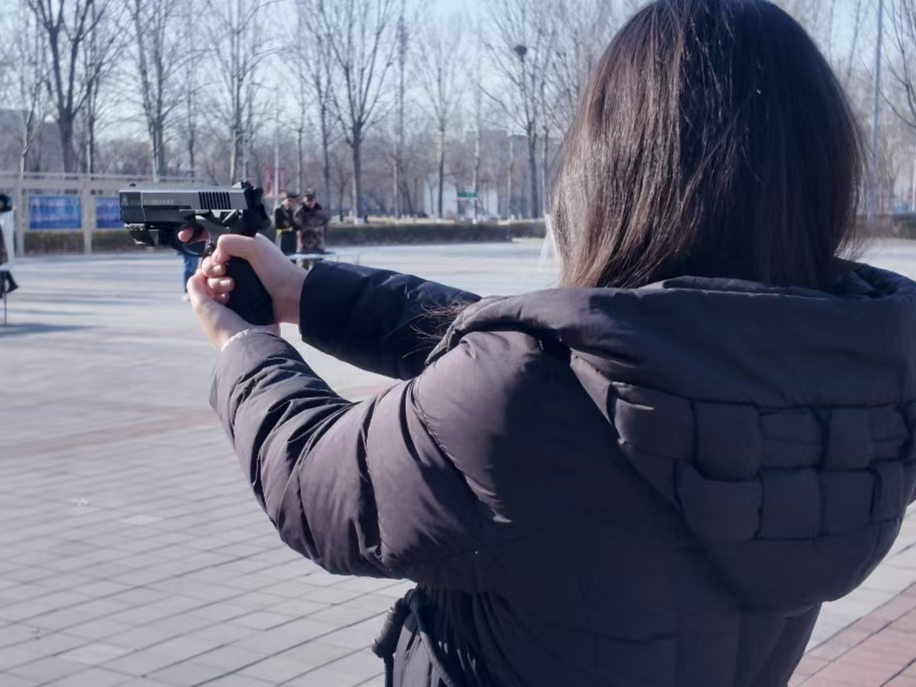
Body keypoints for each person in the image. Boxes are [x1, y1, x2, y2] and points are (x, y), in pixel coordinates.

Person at [185, 1, 916, 685]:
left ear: (615, 167)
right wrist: (307, 293)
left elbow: (316, 484)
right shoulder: (864, 375)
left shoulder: (530, 391)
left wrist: (241, 344)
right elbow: (549, 348)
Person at [292, 188, 329, 268]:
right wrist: (312, 228)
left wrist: (323, 235)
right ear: (305, 199)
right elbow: (297, 226)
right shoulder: (300, 211)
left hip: (318, 243)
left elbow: (325, 225)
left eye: (312, 199)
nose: (310, 202)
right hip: (305, 243)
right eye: (308, 199)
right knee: (303, 267)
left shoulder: (320, 210)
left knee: (319, 266)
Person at [274, 190, 299, 256]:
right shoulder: (279, 210)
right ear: (289, 200)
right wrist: (289, 227)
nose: (295, 204)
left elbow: (296, 226)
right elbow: (278, 225)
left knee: (293, 258)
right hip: (283, 237)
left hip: (292, 238)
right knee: (282, 257)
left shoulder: (293, 210)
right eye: (293, 201)